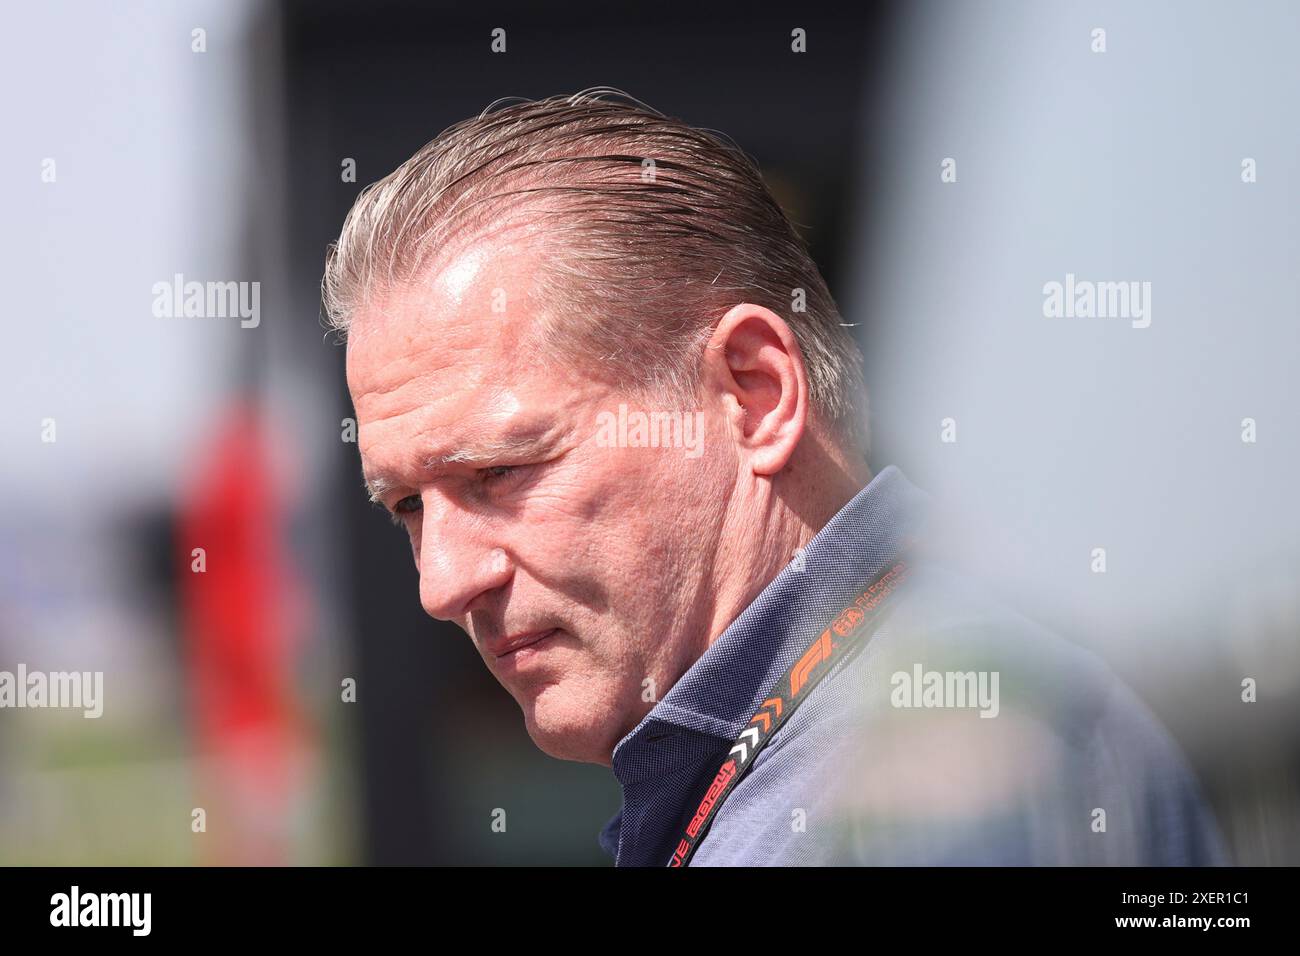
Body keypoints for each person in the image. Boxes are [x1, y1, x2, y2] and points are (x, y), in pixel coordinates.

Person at [322, 89, 1226, 866]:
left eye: (499, 472)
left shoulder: (935, 783)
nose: (442, 584)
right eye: (407, 505)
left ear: (754, 396)